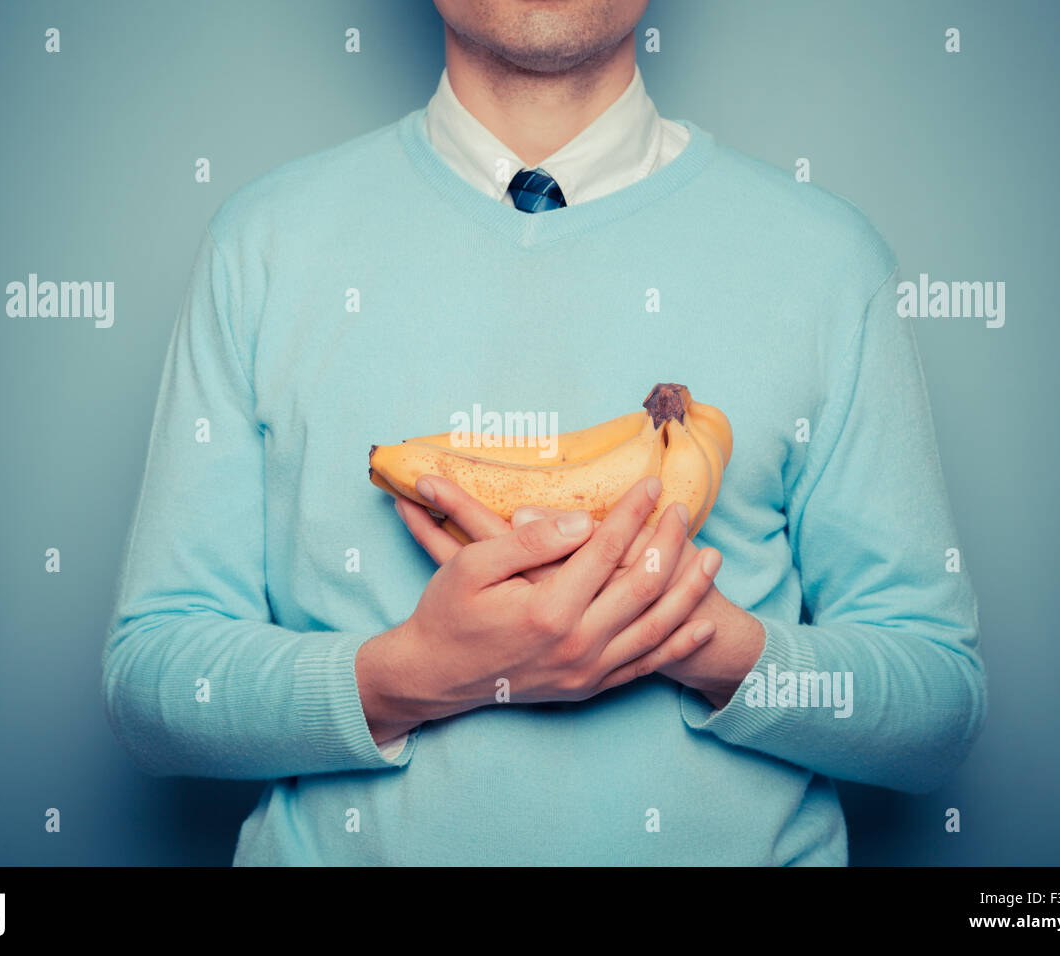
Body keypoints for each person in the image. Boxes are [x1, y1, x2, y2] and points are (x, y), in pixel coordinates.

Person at [103, 0, 987, 865]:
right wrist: (411, 675)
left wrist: (688, 637)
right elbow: (155, 681)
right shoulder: (260, 249)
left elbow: (936, 708)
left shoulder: (828, 262)